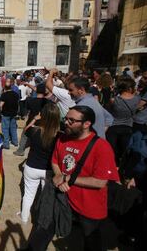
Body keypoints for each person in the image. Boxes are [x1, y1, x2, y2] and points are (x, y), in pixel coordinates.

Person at [27, 106, 119, 251]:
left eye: (72, 120)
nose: (66, 122)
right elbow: (55, 161)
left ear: (86, 124)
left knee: (91, 242)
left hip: (88, 206)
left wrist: (67, 178)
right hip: (61, 198)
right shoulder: (63, 138)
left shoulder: (102, 147)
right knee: (42, 232)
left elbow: (100, 181)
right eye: (66, 118)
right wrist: (58, 176)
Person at [19, 103, 60, 223]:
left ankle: (24, 218)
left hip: (32, 167)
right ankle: (40, 219)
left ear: (43, 116)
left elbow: (25, 131)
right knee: (44, 196)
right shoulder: (59, 136)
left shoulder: (35, 131)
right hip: (49, 169)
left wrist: (34, 120)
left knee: (28, 194)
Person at [106, 77, 140, 166]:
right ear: (130, 88)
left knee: (112, 152)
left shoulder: (113, 100)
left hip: (113, 127)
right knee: (124, 152)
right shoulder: (137, 99)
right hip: (128, 127)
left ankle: (113, 167)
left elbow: (108, 112)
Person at [0, 84, 20, 149]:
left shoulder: (4, 95)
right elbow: (18, 103)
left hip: (6, 114)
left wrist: (0, 111)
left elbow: (1, 105)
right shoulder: (16, 94)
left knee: (5, 129)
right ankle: (15, 141)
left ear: (4, 88)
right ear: (11, 87)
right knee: (13, 128)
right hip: (14, 113)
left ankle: (6, 144)